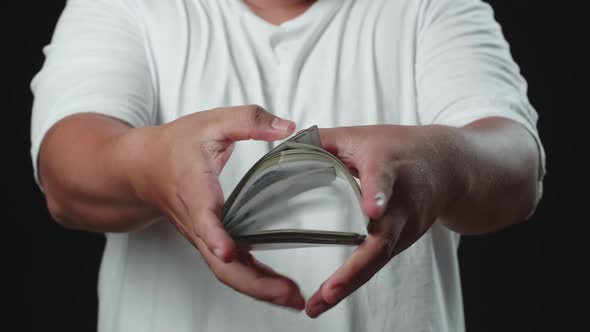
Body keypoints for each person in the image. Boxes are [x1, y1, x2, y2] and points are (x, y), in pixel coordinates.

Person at [30, 0, 545, 331]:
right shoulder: (125, 7)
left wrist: (440, 165)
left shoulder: (434, 8)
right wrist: (151, 167)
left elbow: (519, 167)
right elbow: (66, 170)